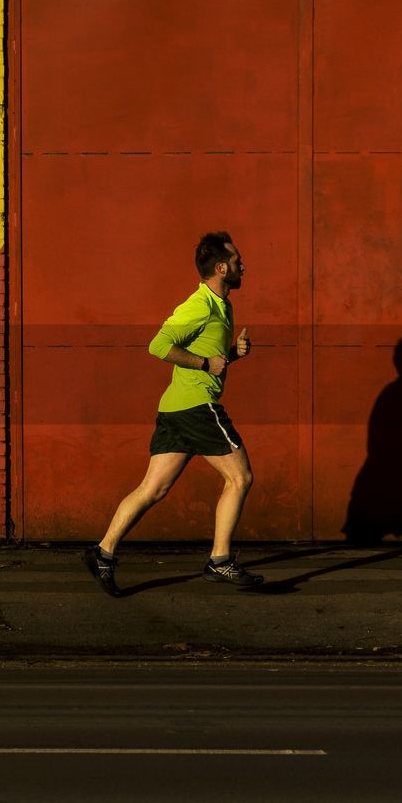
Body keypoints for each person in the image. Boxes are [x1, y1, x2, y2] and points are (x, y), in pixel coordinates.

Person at [83, 231, 262, 597]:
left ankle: (102, 552)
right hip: (197, 407)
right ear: (221, 267)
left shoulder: (220, 304)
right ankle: (220, 560)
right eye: (237, 259)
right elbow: (158, 346)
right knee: (240, 478)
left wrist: (231, 354)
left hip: (176, 409)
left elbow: (212, 359)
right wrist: (204, 362)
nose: (244, 265)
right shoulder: (200, 305)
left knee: (154, 488)